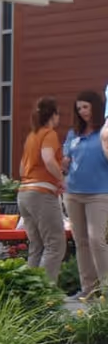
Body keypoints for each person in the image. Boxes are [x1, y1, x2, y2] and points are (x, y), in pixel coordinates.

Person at [63, 90, 108, 300]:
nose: (82, 112)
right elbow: (66, 159)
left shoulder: (104, 132)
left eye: (85, 107)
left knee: (97, 240)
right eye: (79, 108)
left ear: (95, 107)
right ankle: (88, 289)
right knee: (81, 242)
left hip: (99, 193)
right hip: (73, 194)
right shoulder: (73, 133)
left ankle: (106, 289)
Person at [17, 96, 66, 283]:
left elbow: (22, 169)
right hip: (42, 193)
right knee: (55, 244)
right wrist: (61, 179)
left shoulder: (31, 136)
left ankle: (31, 292)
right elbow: (47, 158)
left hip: (24, 194)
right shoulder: (49, 134)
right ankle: (45, 293)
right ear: (53, 115)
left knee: (36, 245)